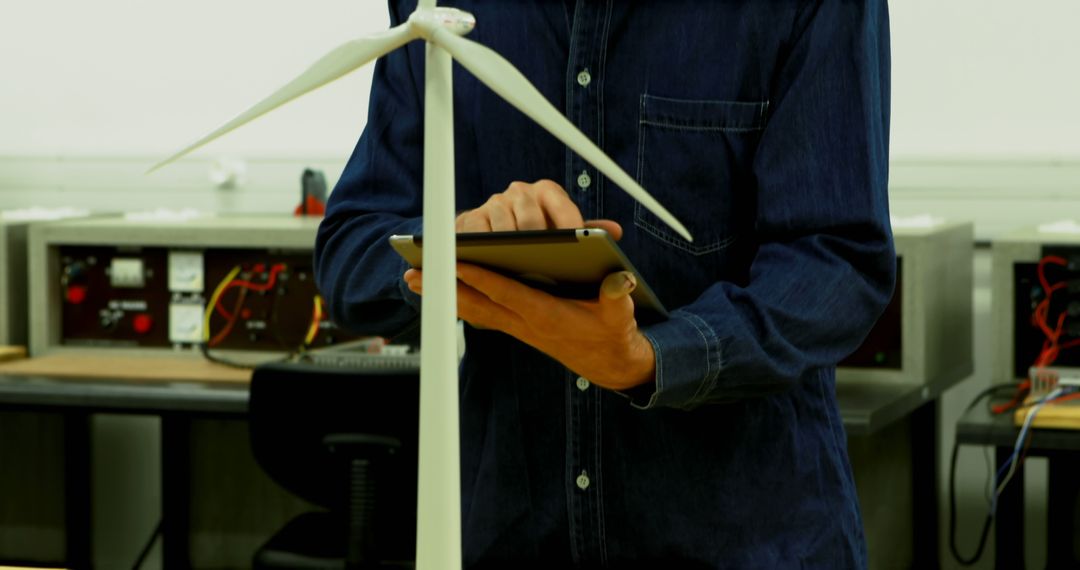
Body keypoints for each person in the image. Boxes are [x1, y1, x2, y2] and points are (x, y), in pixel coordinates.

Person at [315, 1, 893, 568]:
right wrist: (453, 240)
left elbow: (838, 259)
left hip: (747, 540)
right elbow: (350, 253)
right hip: (512, 534)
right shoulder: (439, 8)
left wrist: (653, 358)